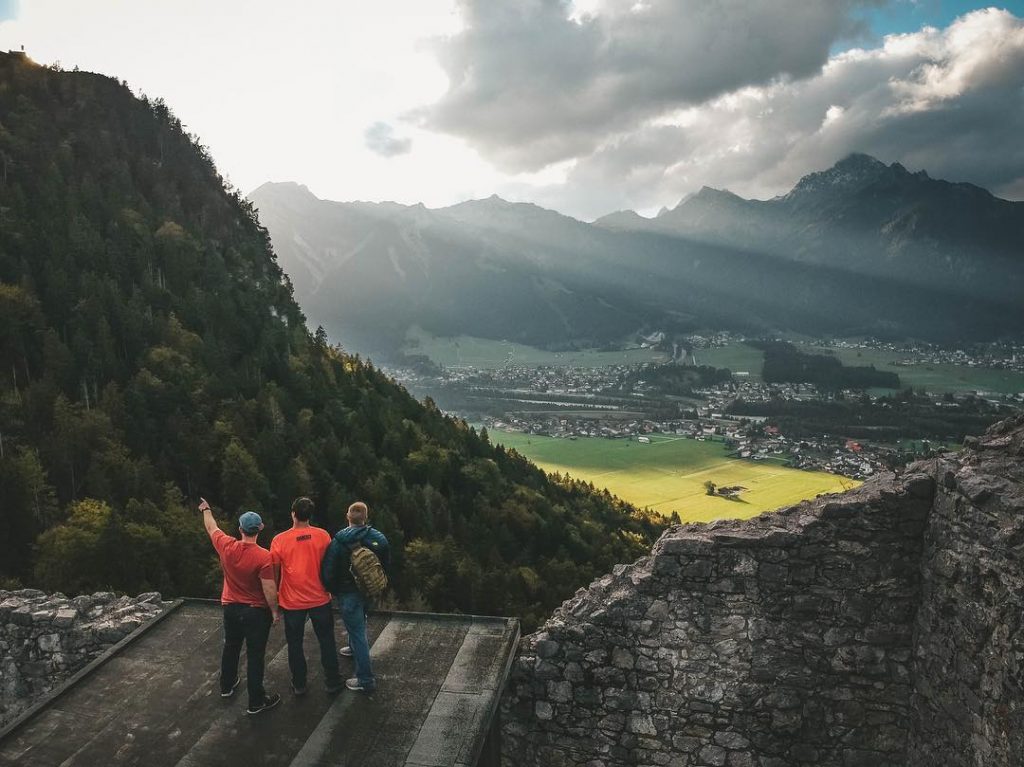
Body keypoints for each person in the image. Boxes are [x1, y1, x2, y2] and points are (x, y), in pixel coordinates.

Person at [199, 498, 282, 715]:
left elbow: (211, 526)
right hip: (256, 612)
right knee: (255, 655)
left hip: (231, 608)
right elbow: (269, 588)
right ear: (260, 529)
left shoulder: (226, 546)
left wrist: (207, 508)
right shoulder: (264, 556)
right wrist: (274, 611)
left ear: (240, 529)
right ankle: (255, 701)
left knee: (231, 646)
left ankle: (227, 685)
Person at [270, 496, 343, 695]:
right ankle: (333, 681)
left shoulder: (279, 540)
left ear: (293, 513)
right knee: (327, 640)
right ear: (310, 515)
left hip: (292, 601)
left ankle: (300, 684)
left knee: (294, 644)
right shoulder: (323, 535)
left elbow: (274, 572)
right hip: (320, 597)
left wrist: (275, 598)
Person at [321, 501, 390, 692]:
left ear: (347, 517)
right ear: (365, 518)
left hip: (348, 593)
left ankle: (365, 680)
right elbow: (385, 565)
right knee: (359, 625)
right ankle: (353, 649)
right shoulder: (380, 539)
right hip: (369, 590)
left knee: (358, 632)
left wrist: (335, 590)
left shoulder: (338, 542)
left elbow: (328, 572)